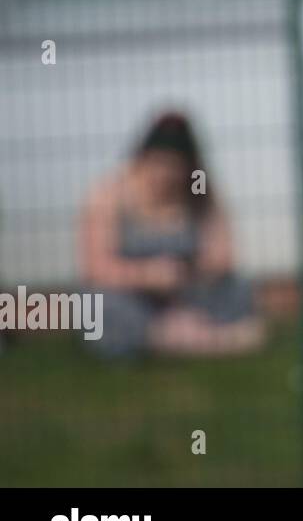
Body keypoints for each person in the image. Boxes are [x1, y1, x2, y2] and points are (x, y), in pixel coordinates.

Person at [80, 111, 265, 359]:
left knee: (238, 287)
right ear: (142, 158)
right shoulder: (110, 193)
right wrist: (146, 275)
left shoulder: (199, 189)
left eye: (174, 167)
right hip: (132, 296)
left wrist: (186, 273)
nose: (164, 175)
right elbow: (96, 268)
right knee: (96, 304)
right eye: (158, 164)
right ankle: (205, 339)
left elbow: (223, 255)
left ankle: (180, 337)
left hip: (189, 294)